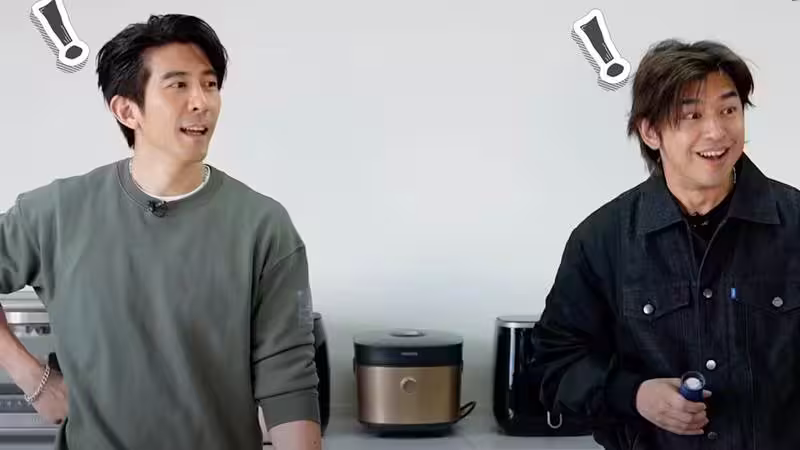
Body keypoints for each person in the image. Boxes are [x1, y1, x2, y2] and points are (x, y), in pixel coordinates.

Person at [0, 14, 321, 450]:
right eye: (178, 85)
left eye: (209, 84)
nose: (202, 101)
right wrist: (32, 377)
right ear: (127, 110)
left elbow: (289, 380)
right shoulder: (54, 213)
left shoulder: (263, 225)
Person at [531, 38, 800, 449]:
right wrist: (634, 395)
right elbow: (553, 366)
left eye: (729, 110)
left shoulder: (794, 223)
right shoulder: (602, 239)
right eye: (691, 115)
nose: (716, 131)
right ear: (651, 131)